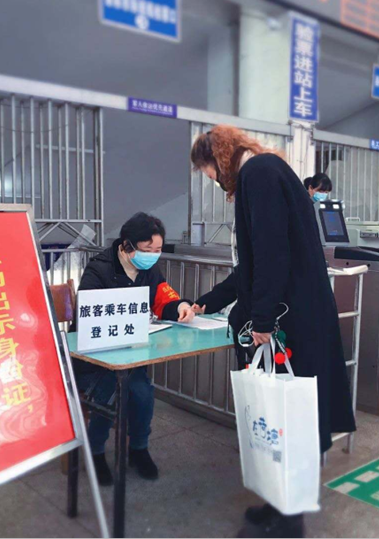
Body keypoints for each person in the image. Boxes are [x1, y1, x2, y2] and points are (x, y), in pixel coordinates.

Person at [190, 126, 355, 538]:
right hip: (298, 312)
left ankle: (289, 519)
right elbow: (254, 264)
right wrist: (209, 301)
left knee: (290, 415)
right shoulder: (266, 170)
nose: (212, 180)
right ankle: (279, 502)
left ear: (218, 158)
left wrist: (262, 320)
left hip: (290, 319)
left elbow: (271, 254)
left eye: (208, 171)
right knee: (284, 416)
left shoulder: (258, 174)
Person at [73, 212, 195, 486]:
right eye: (147, 250)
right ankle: (95, 452)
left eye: (158, 250)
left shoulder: (150, 270)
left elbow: (164, 298)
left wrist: (182, 306)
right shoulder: (100, 269)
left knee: (142, 393)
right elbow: (86, 316)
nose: (153, 256)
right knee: (108, 392)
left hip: (130, 357)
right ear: (127, 245)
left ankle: (138, 449)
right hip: (94, 359)